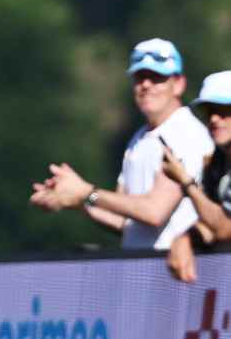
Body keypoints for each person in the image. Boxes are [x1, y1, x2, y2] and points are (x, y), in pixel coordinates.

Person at [30, 38, 214, 264]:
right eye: (139, 77)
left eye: (157, 78)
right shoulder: (138, 139)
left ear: (178, 84)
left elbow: (154, 212)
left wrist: (87, 192)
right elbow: (125, 221)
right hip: (141, 273)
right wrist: (76, 201)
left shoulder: (185, 133)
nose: (146, 85)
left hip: (176, 276)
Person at [160, 71, 231, 281]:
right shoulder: (216, 162)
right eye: (208, 112)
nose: (214, 120)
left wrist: (186, 182)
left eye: (223, 111)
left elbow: (224, 227)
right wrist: (186, 237)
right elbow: (211, 226)